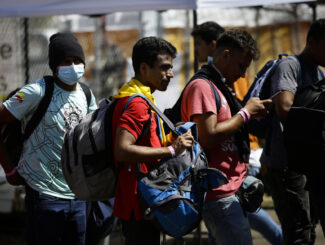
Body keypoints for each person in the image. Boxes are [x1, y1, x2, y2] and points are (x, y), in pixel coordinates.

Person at [0, 32, 97, 245]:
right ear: (54, 66)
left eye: (77, 61)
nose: (74, 66)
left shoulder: (87, 95)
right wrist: (8, 168)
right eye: (66, 61)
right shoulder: (36, 91)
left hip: (78, 195)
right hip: (44, 195)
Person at [192, 21, 283, 245]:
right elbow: (208, 135)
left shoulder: (220, 86)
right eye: (241, 66)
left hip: (231, 189)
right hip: (219, 194)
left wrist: (249, 116)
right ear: (225, 55)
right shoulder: (203, 86)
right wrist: (245, 113)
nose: (243, 75)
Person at [111, 36, 194, 245]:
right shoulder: (137, 103)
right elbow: (122, 149)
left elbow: (144, 141)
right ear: (144, 68)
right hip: (139, 200)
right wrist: (171, 151)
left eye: (171, 67)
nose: (171, 74)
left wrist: (167, 140)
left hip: (143, 197)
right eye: (164, 67)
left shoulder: (136, 95)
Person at [260, 18, 325, 244]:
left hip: (308, 161)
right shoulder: (290, 65)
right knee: (298, 230)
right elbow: (284, 108)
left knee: (309, 227)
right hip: (284, 163)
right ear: (312, 42)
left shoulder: (319, 74)